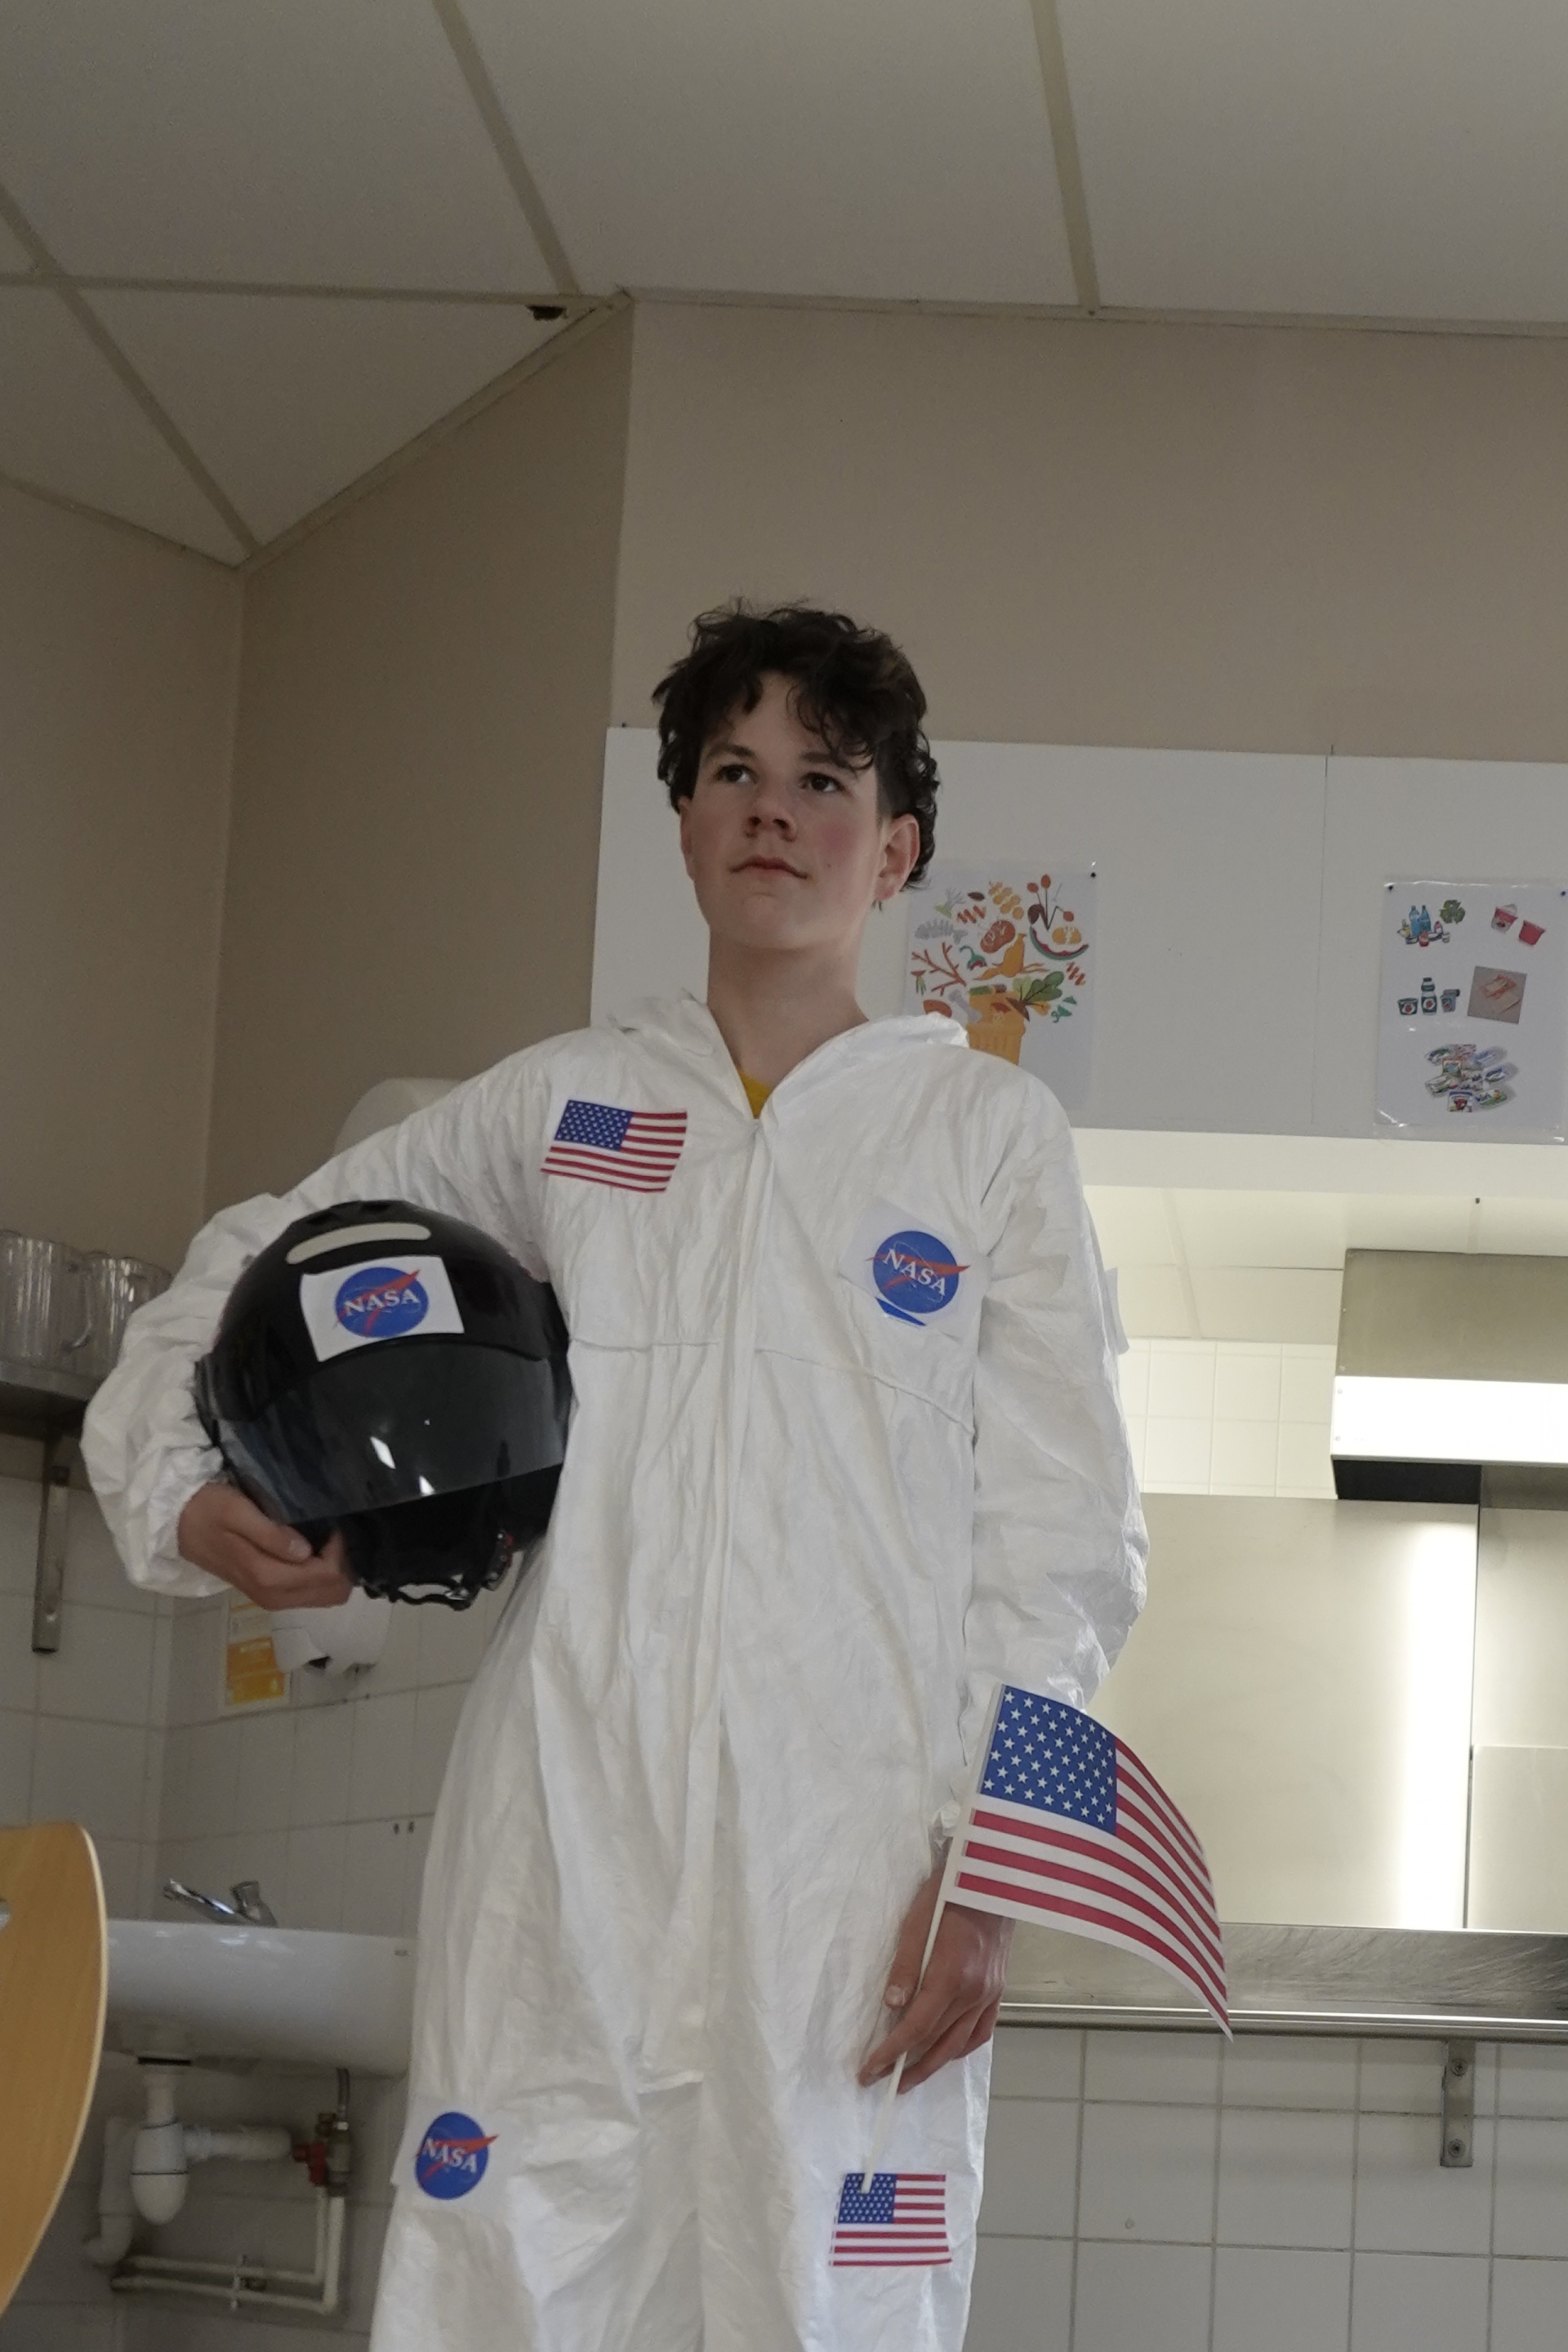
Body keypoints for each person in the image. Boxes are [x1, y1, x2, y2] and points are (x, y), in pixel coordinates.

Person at [83, 604, 1146, 2352]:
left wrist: (998, 1876)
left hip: (848, 1869)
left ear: (896, 849)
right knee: (508, 2291)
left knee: (826, 2307)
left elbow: (1071, 1542)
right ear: (686, 823)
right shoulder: (567, 1111)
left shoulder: (985, 1139)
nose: (772, 808)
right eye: (733, 771)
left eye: (824, 780)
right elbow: (272, 1247)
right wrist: (177, 1485)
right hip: (566, 1838)